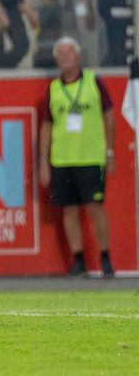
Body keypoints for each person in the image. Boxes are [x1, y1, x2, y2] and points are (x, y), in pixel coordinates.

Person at [39, 37, 115, 278]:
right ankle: (79, 260)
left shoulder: (94, 82)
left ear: (78, 56)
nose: (65, 56)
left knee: (95, 208)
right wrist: (44, 161)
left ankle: (105, 258)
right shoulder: (53, 89)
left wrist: (109, 151)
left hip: (90, 156)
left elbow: (109, 116)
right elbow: (47, 126)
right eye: (60, 53)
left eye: (69, 52)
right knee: (69, 211)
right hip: (62, 159)